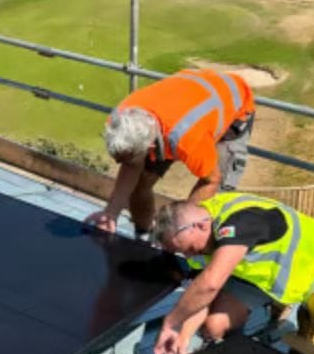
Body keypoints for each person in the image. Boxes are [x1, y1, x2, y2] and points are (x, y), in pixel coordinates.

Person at [149, 192, 314, 354]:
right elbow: (199, 293)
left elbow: (210, 284)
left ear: (201, 226)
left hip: (312, 263)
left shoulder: (240, 221)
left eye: (190, 248)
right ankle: (276, 303)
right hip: (258, 279)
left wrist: (171, 323)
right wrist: (181, 339)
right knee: (213, 329)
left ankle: (309, 316)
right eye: (183, 252)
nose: (189, 255)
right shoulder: (199, 239)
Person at [84, 69, 255, 239]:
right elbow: (131, 165)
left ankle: (199, 254)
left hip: (233, 105)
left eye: (127, 157)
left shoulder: (187, 139)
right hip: (192, 93)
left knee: (214, 203)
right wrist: (110, 213)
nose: (118, 163)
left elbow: (212, 180)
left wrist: (180, 230)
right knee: (140, 185)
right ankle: (144, 238)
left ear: (149, 146)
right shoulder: (120, 120)